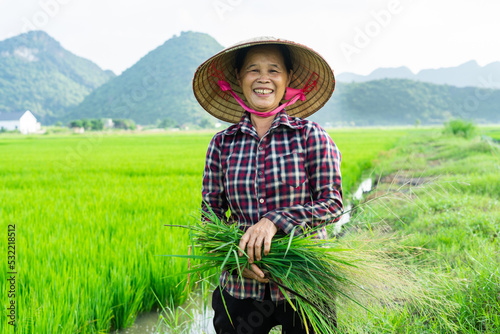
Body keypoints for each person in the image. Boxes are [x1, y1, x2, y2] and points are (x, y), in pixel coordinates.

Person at [193, 37, 343, 334]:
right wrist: (236, 260)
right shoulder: (222, 144)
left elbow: (333, 204)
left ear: (288, 80)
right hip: (240, 285)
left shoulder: (311, 136)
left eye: (274, 70)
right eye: (253, 70)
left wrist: (274, 221)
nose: (263, 78)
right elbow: (209, 219)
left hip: (303, 284)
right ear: (239, 78)